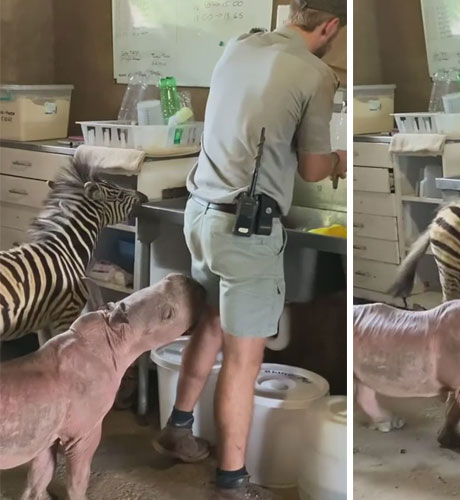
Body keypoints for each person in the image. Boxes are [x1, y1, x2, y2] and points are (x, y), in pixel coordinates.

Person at [151, 2, 347, 499]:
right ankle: (232, 482)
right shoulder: (315, 73)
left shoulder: (239, 45)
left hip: (201, 213)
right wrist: (341, 159)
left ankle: (177, 427)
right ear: (329, 26)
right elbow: (312, 169)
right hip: (245, 230)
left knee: (213, 322)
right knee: (244, 360)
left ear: (289, 13)